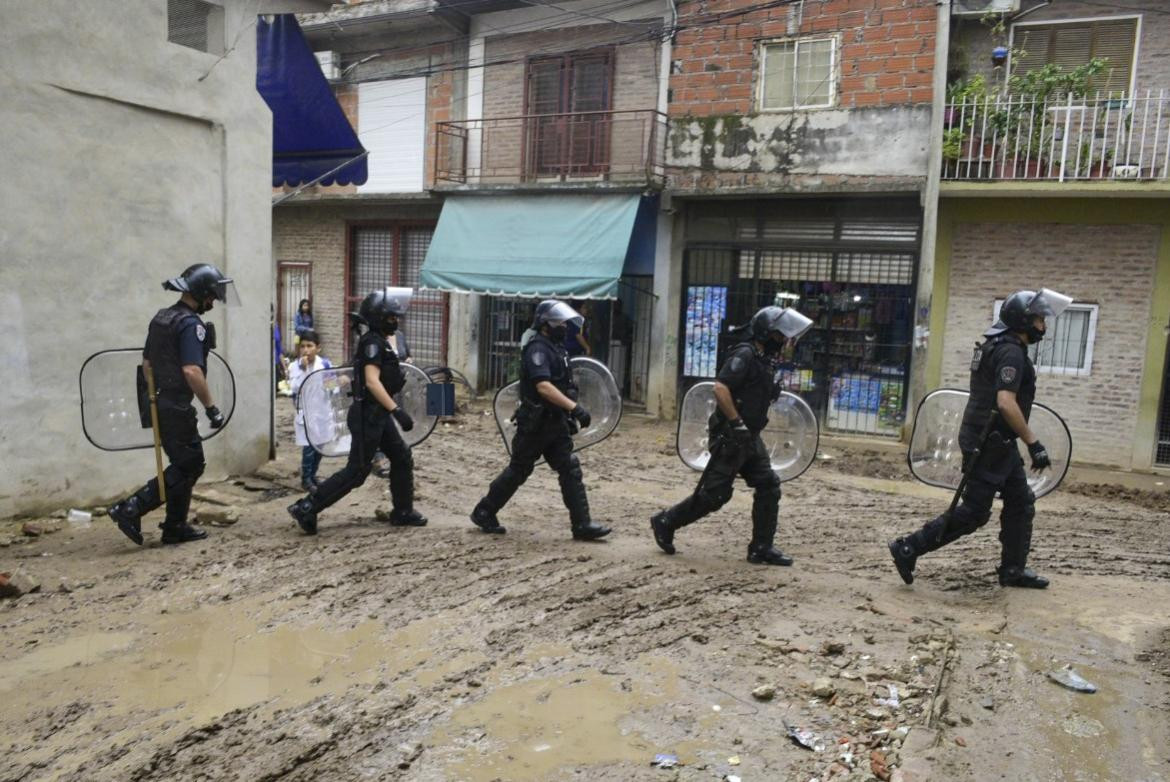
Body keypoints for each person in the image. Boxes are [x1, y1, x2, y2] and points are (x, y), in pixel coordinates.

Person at [888, 288, 1070, 590]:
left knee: (1021, 502)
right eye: (1039, 318)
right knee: (974, 512)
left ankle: (1013, 571)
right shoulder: (1010, 351)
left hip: (995, 439)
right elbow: (1005, 402)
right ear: (1022, 320)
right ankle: (908, 548)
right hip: (989, 442)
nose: (1044, 325)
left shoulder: (996, 345)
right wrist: (1033, 443)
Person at [650, 305, 813, 565]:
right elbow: (721, 387)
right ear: (765, 333)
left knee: (769, 484)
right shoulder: (745, 353)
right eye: (779, 335)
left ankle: (761, 547)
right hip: (731, 436)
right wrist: (736, 423)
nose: (783, 341)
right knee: (715, 495)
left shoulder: (763, 358)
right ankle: (666, 521)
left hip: (749, 436)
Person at [108, 264, 237, 546]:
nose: (213, 302)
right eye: (212, 296)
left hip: (160, 403)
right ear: (202, 293)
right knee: (190, 464)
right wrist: (211, 408)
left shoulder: (162, 318)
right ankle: (131, 508)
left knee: (185, 463)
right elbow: (192, 371)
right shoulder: (191, 325)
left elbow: (147, 365)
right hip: (177, 406)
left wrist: (158, 398)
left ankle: (175, 527)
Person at [287, 287, 427, 535]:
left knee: (401, 457)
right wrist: (396, 410)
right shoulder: (372, 343)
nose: (396, 320)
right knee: (357, 472)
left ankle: (403, 511)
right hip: (368, 417)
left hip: (378, 416)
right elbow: (372, 381)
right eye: (391, 317)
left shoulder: (380, 341)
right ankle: (307, 506)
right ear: (377, 318)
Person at [470, 300, 611, 541]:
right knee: (519, 470)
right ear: (545, 324)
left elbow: (560, 382)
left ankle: (582, 524)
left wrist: (571, 396)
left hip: (555, 423)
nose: (564, 326)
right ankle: (484, 511)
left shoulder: (556, 348)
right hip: (535, 424)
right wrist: (574, 407)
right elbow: (543, 386)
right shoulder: (538, 349)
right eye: (559, 322)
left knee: (570, 469)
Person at [288, 329, 332, 492]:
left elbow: (330, 387)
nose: (305, 350)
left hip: (321, 411)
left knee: (320, 445)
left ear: (318, 348)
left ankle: (313, 474)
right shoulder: (295, 366)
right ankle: (306, 478)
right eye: (303, 346)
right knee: (308, 447)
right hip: (305, 413)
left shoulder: (325, 364)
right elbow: (295, 387)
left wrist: (337, 382)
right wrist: (303, 370)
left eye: (310, 346)